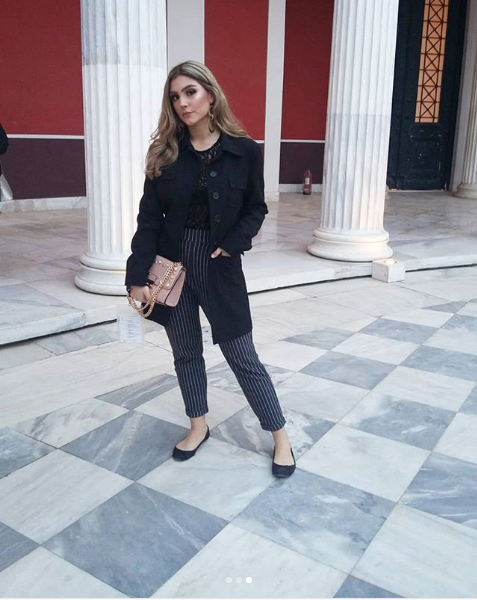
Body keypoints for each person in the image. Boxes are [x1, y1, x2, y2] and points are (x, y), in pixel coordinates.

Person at [125, 61, 295, 478]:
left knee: (242, 354)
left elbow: (256, 207)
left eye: (190, 92)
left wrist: (234, 242)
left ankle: (279, 435)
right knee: (185, 351)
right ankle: (198, 425)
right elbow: (149, 220)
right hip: (172, 264)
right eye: (175, 97)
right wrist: (136, 275)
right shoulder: (165, 154)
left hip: (219, 264)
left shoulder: (244, 150)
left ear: (211, 94)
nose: (183, 103)